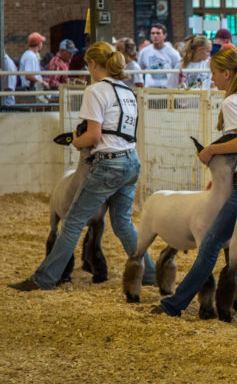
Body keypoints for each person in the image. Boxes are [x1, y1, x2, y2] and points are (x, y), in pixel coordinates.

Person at [9, 42, 157, 291]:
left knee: (73, 222)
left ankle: (43, 279)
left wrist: (77, 141)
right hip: (131, 161)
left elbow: (93, 136)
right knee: (122, 223)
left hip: (108, 163)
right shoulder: (127, 90)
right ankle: (151, 274)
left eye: (88, 64)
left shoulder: (95, 90)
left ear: (93, 64)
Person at [150, 47, 237, 316]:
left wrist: (210, 151)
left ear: (227, 73)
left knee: (209, 247)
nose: (212, 78)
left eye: (214, 73)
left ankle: (174, 304)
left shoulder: (231, 103)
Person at [137, 23, 181, 88]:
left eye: (158, 33)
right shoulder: (144, 52)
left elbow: (179, 72)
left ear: (164, 36)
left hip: (167, 91)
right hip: (149, 90)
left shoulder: (173, 53)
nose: (155, 36)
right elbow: (138, 70)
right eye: (153, 33)